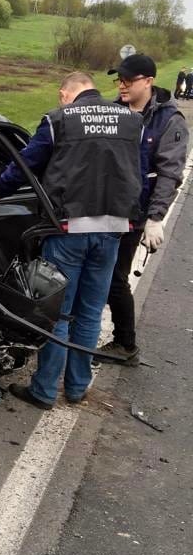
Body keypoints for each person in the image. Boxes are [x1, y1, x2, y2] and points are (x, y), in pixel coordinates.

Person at [0, 71, 143, 409]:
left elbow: (26, 164)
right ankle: (76, 388)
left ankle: (43, 391)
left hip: (69, 230)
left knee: (57, 314)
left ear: (64, 94)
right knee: (89, 313)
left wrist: (0, 189)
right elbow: (137, 171)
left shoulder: (60, 120)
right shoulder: (131, 120)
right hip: (112, 230)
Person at [99, 53, 189, 363]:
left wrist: (155, 218)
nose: (121, 85)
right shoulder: (113, 111)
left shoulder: (168, 121)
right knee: (95, 272)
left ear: (148, 81)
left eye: (128, 80)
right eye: (118, 79)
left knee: (114, 277)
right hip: (101, 207)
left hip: (134, 214)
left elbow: (169, 173)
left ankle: (126, 343)